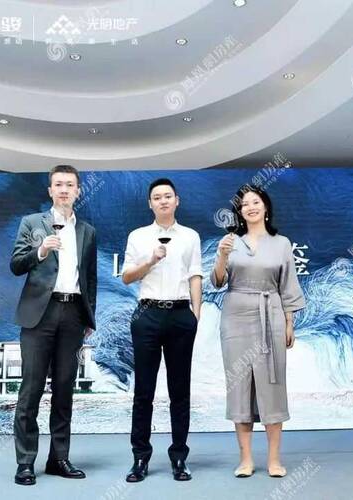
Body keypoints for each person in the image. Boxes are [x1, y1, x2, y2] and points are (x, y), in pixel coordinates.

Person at [10, 165, 97, 486]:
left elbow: (90, 279)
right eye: (58, 184)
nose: (63, 189)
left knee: (64, 389)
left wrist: (89, 317)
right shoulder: (32, 223)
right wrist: (41, 250)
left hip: (73, 313)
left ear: (78, 191)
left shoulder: (87, 231)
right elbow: (16, 264)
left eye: (69, 185)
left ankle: (59, 458)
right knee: (31, 389)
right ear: (50, 190)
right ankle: (25, 462)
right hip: (39, 314)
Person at [211, 184, 305, 478]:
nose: (250, 208)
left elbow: (288, 285)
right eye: (244, 205)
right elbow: (217, 281)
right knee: (239, 384)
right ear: (239, 212)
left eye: (255, 202)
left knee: (272, 384)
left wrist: (289, 322)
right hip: (236, 315)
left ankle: (274, 459)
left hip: (270, 312)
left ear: (265, 207)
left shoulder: (281, 243)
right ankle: (246, 459)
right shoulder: (231, 241)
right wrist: (222, 255)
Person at [121, 178, 203, 482]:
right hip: (148, 313)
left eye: (168, 196)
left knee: (180, 391)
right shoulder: (138, 236)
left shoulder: (190, 236)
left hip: (181, 314)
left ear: (177, 200)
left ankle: (179, 457)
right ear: (150, 204)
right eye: (157, 197)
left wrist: (196, 315)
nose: (163, 201)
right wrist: (150, 260)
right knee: (143, 391)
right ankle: (140, 457)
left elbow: (195, 275)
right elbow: (127, 277)